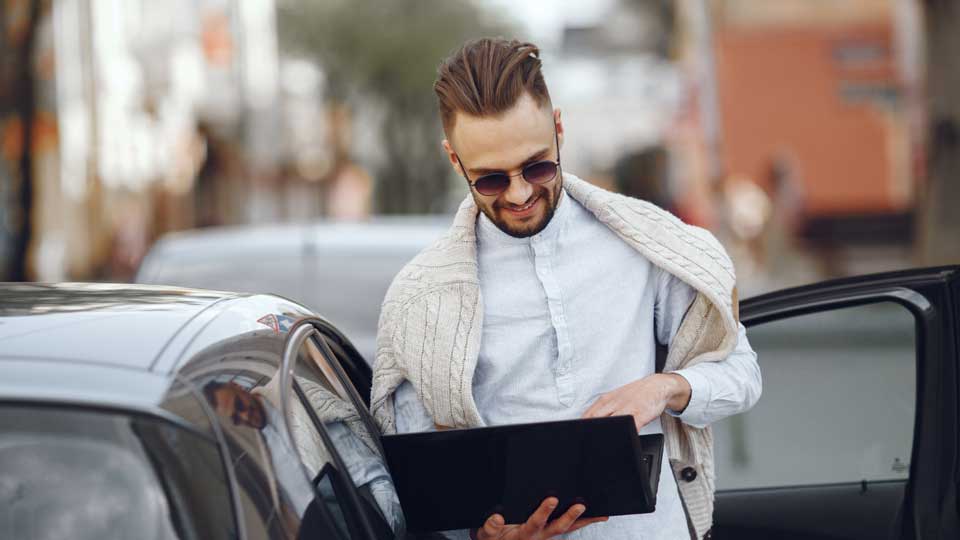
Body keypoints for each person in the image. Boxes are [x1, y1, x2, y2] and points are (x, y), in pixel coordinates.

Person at [370, 38, 762, 540]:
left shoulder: (646, 245)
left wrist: (666, 388)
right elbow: (415, 478)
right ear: (455, 161)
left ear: (558, 129)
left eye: (537, 167)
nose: (519, 194)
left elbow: (742, 373)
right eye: (490, 179)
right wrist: (478, 534)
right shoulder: (420, 302)